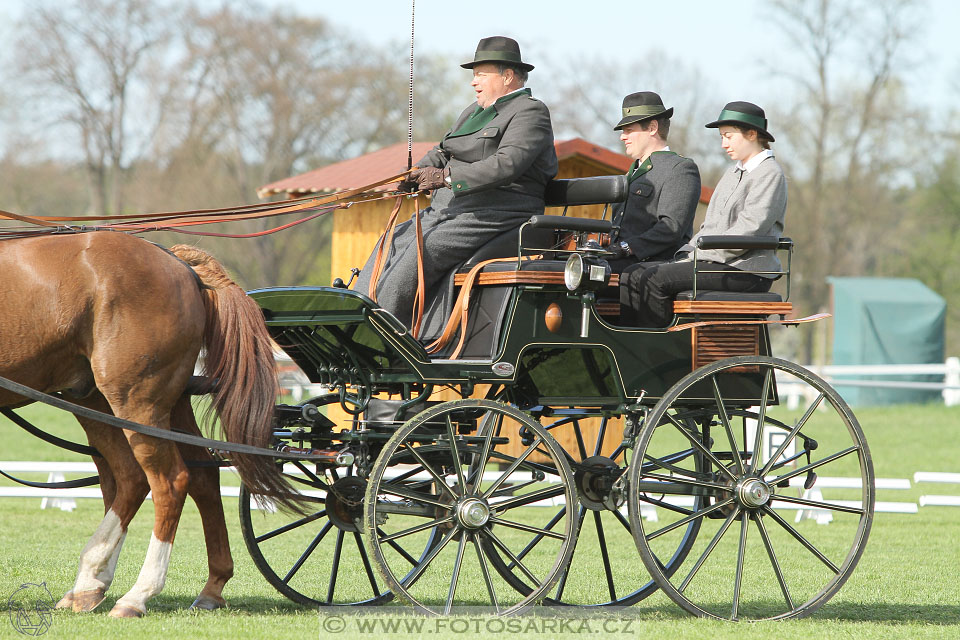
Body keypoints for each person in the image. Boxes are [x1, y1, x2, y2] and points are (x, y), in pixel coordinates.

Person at [354, 36, 558, 332]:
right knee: (391, 241)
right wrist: (417, 172)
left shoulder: (530, 111)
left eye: (481, 74)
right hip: (451, 211)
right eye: (474, 75)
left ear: (508, 76)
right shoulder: (471, 112)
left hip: (495, 212)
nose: (474, 82)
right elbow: (442, 151)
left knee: (421, 251)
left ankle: (380, 334)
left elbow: (508, 163)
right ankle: (355, 315)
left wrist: (446, 178)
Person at [619, 101, 787, 327]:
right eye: (721, 137)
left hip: (745, 270)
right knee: (632, 273)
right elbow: (710, 226)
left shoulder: (770, 173)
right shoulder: (733, 173)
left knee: (653, 279)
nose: (723, 144)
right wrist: (687, 254)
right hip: (717, 261)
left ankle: (660, 354)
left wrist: (705, 254)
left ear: (752, 134)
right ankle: (634, 346)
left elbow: (751, 227)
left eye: (728, 136)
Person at [605, 92, 701, 273]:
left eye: (629, 130)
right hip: (618, 260)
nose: (622, 137)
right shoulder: (630, 173)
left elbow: (671, 228)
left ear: (652, 128)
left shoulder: (680, 168)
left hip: (652, 266)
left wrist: (627, 247)